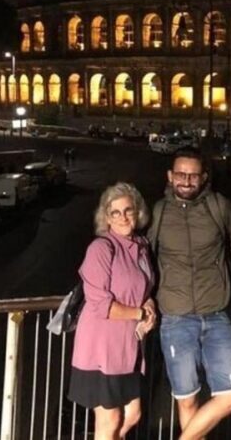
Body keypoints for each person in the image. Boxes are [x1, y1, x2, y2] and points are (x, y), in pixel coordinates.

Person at [149, 148, 231, 440]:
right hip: (175, 317)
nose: (187, 181)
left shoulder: (220, 206)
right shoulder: (158, 212)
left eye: (193, 175)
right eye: (181, 174)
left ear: (204, 178)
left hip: (216, 314)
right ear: (170, 176)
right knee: (187, 399)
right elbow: (145, 259)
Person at [68, 182, 157, 440]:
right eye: (115, 212)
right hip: (101, 347)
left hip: (127, 347)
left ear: (138, 212)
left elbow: (144, 288)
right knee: (110, 419)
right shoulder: (101, 248)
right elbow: (101, 304)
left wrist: (149, 304)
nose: (123, 217)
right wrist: (140, 313)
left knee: (132, 415)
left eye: (128, 210)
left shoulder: (140, 246)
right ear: (106, 217)